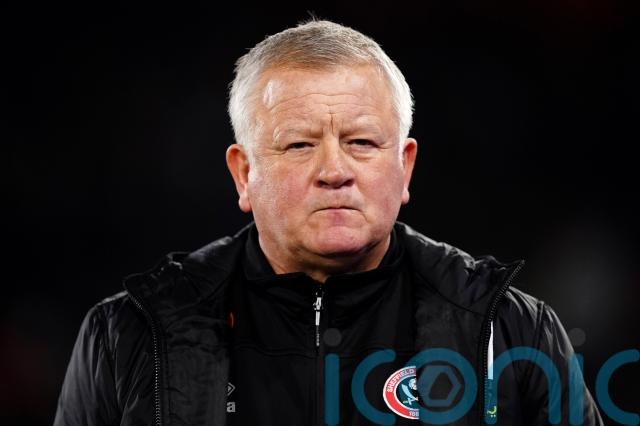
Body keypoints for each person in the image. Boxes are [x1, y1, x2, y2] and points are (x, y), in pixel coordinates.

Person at [54, 20, 603, 425]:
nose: (335, 171)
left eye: (361, 142)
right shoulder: (129, 333)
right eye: (299, 144)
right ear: (243, 174)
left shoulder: (511, 330)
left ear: (405, 167)